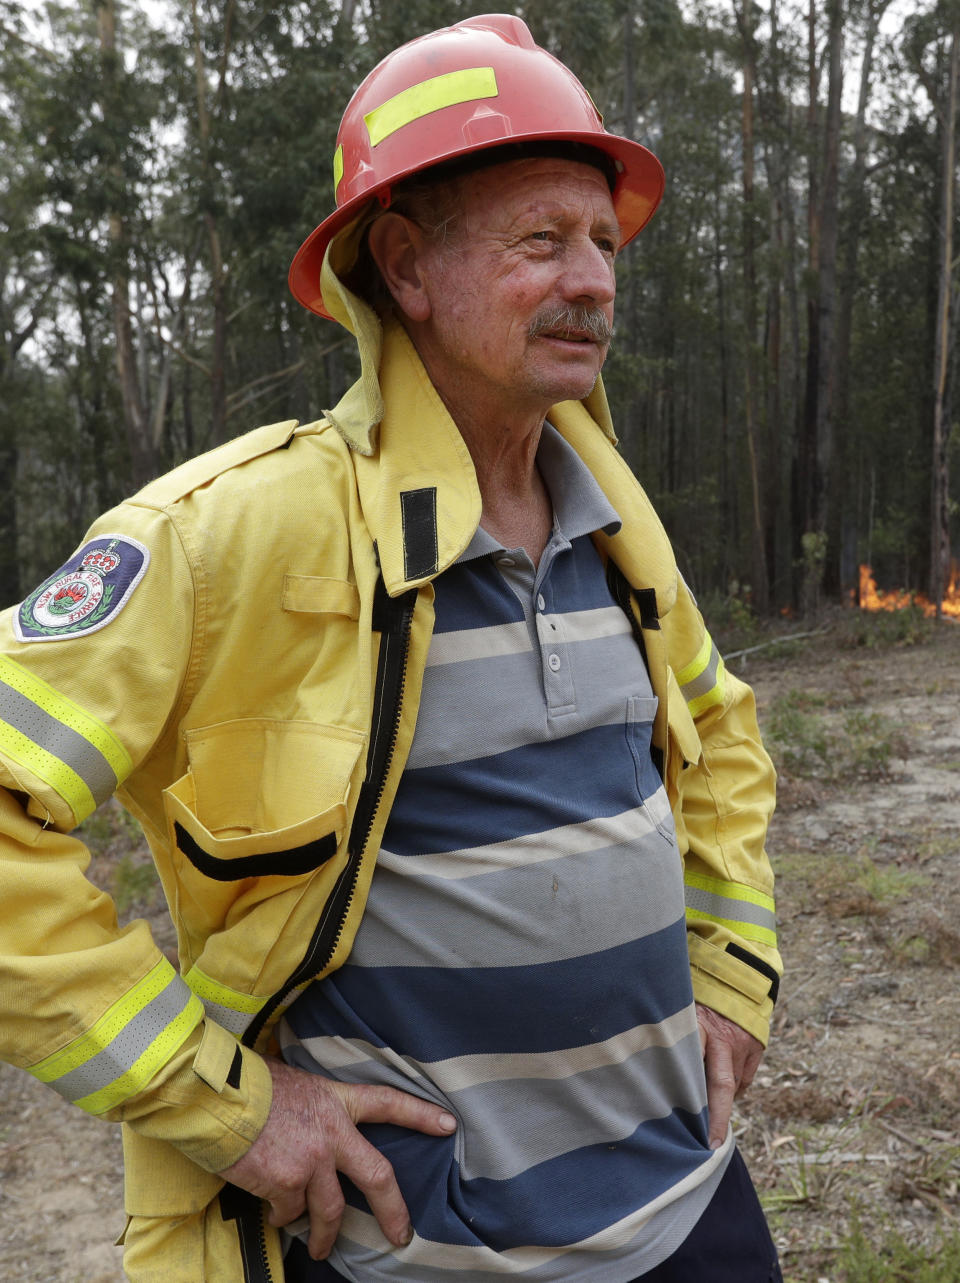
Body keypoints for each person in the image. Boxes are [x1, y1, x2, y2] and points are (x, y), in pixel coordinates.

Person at [0, 14, 782, 1283]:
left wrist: (734, 977)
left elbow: (725, 737)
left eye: (603, 239)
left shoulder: (615, 522)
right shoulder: (231, 537)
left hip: (686, 1206)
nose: (593, 278)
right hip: (414, 1249)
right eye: (543, 240)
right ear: (408, 268)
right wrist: (235, 1108)